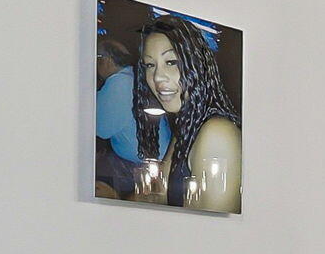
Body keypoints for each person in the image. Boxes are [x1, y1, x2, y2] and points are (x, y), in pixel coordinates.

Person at [95, 14, 240, 206]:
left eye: (171, 62)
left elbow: (215, 232)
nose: (157, 77)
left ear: (198, 64)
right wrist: (115, 201)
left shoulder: (218, 133)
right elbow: (157, 194)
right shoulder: (187, 126)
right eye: (150, 65)